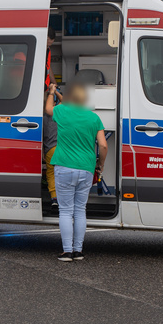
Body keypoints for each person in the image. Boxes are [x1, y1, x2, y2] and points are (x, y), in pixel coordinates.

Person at [45, 81, 107, 262]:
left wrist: (51, 92)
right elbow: (103, 145)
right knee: (80, 210)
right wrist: (100, 164)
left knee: (65, 211)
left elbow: (48, 109)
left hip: (64, 166)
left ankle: (67, 251)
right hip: (86, 168)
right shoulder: (94, 118)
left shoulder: (62, 112)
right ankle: (78, 251)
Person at [43, 84, 63, 211]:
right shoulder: (60, 113)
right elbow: (65, 102)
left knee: (51, 174)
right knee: (63, 174)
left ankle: (54, 198)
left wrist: (42, 152)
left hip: (49, 150)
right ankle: (63, 198)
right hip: (62, 149)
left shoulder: (43, 117)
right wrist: (55, 92)